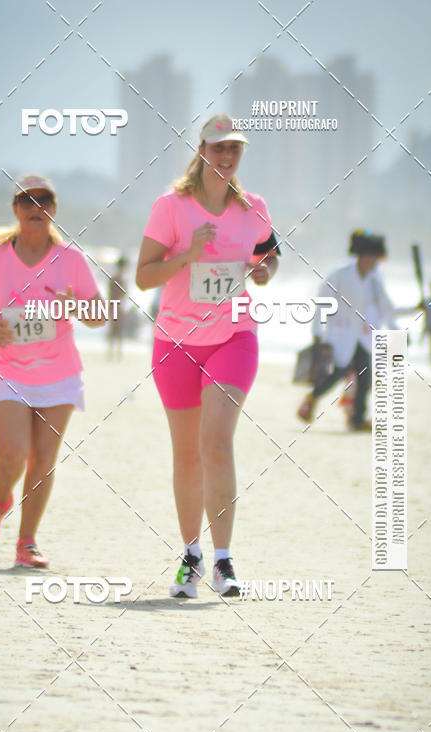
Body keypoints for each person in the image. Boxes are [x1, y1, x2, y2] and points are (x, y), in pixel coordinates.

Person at [136, 114, 279, 598]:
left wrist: (264, 272)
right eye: (218, 148)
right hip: (175, 343)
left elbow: (269, 256)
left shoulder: (254, 207)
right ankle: (191, 555)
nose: (226, 156)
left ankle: (223, 561)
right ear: (201, 150)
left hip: (233, 338)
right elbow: (144, 277)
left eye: (234, 149)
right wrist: (187, 256)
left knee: (216, 440)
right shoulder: (170, 207)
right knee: (187, 455)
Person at [0, 175, 104, 568]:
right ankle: (3, 498)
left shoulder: (72, 259)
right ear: (15, 209)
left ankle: (26, 542)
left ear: (54, 209)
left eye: (44, 200)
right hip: (7, 368)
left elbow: (99, 316)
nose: (35, 206)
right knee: (13, 451)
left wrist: (75, 306)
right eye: (26, 200)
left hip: (59, 374)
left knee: (42, 460)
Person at [297, 230, 398, 431]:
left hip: (361, 336)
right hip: (339, 334)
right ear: (361, 254)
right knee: (338, 372)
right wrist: (318, 334)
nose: (374, 261)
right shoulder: (340, 274)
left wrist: (405, 320)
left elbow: (386, 308)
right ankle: (312, 397)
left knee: (365, 375)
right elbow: (323, 304)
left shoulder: (374, 280)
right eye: (371, 256)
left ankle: (357, 419)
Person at [107, 255, 128, 360]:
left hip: (114, 305)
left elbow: (110, 293)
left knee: (114, 329)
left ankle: (113, 352)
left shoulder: (114, 278)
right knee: (117, 329)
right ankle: (116, 352)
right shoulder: (119, 279)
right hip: (117, 305)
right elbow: (123, 294)